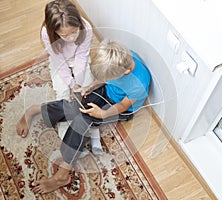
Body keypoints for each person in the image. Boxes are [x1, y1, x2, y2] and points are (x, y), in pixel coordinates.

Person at [16, 39, 151, 194]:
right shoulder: (122, 57)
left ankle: (62, 175)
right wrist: (90, 87)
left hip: (119, 107)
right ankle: (36, 109)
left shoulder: (138, 84)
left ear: (125, 72)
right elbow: (105, 79)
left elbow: (122, 107)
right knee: (76, 107)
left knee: (82, 121)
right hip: (108, 92)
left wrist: (103, 113)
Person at [40, 0, 103, 154]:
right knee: (63, 97)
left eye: (74, 32)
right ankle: (69, 143)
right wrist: (70, 84)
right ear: (54, 32)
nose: (71, 38)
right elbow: (59, 62)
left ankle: (95, 135)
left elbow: (82, 57)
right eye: (64, 35)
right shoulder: (46, 34)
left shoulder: (86, 27)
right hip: (59, 61)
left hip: (78, 59)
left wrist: (78, 85)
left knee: (88, 94)